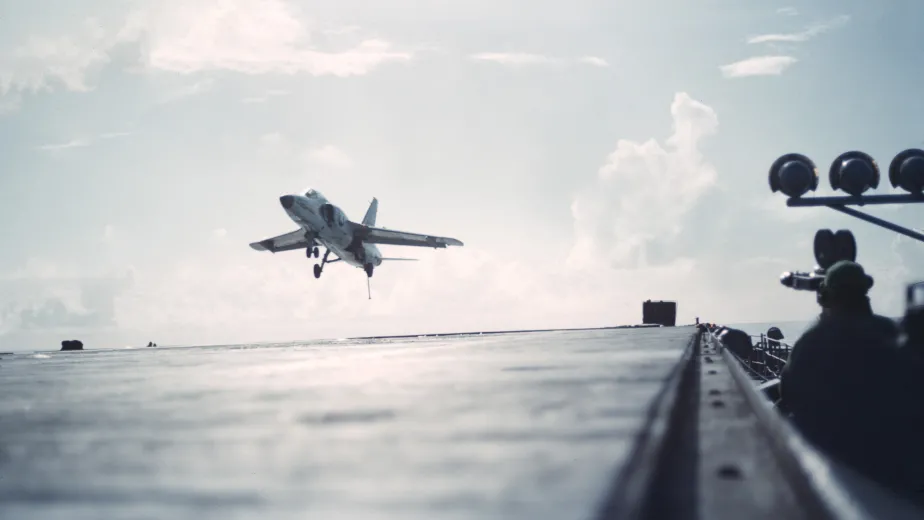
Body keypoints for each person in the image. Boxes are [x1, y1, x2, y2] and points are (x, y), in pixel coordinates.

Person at [779, 260, 919, 496]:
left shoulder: (812, 341)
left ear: (826, 296)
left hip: (839, 471)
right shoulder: (892, 331)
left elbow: (788, 394)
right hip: (899, 468)